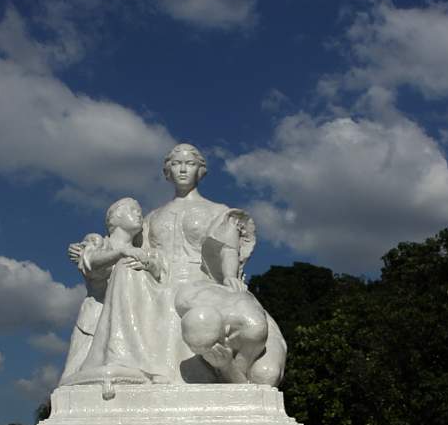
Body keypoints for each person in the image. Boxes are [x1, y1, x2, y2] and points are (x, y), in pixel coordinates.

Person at [62, 143, 286, 389]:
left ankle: (231, 373)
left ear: (200, 170)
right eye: (176, 164)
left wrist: (231, 276)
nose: (182, 170)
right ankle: (126, 361)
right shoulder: (153, 217)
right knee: (131, 271)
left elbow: (227, 248)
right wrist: (90, 246)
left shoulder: (218, 211)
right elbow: (123, 242)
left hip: (201, 284)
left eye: (189, 164)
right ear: (167, 171)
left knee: (253, 333)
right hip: (160, 282)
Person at [60, 198, 149, 381]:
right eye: (132, 210)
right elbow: (90, 263)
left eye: (140, 211)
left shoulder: (143, 252)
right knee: (77, 380)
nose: (139, 214)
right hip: (97, 319)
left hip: (131, 321)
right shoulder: (99, 242)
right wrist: (120, 253)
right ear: (115, 218)